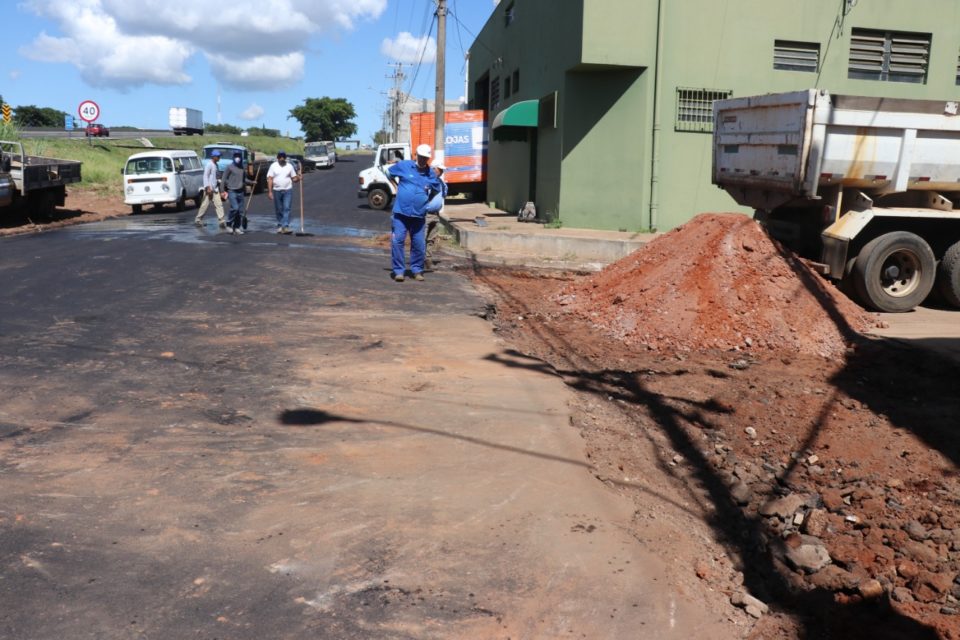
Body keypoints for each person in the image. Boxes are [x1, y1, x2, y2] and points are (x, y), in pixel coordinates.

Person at [387, 144, 442, 281]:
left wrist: (426, 201)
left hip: (419, 215)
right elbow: (389, 173)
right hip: (401, 213)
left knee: (418, 244)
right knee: (398, 241)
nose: (423, 160)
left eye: (426, 158)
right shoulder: (404, 166)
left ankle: (417, 270)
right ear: (416, 155)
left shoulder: (430, 174)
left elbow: (436, 189)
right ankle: (399, 271)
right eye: (421, 156)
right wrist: (396, 186)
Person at [266, 150, 300, 234]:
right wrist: (270, 192)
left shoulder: (289, 166)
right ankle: (280, 225)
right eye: (280, 156)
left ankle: (285, 226)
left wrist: (298, 177)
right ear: (277, 157)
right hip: (276, 190)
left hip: (287, 190)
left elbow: (294, 178)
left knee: (287, 208)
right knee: (279, 209)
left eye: (283, 157)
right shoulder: (273, 166)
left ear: (285, 157)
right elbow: (270, 179)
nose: (282, 158)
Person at [424, 162, 448, 271]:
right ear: (434, 169)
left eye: (442, 170)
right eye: (439, 169)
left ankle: (428, 259)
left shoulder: (442, 183)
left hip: (435, 215)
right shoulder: (427, 181)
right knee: (421, 238)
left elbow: (444, 194)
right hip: (426, 214)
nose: (441, 171)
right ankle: (419, 261)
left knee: (431, 239)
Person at [221, 151, 252, 235]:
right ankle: (229, 224)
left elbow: (244, 179)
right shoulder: (229, 167)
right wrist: (222, 190)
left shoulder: (242, 168)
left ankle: (237, 227)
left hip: (240, 191)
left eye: (238, 156)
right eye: (236, 156)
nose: (237, 158)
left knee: (240, 211)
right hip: (232, 191)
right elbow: (223, 179)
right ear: (233, 157)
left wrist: (252, 182)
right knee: (235, 208)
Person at [195, 150, 226, 229]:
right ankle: (198, 219)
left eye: (219, 156)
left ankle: (221, 221)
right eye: (218, 156)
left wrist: (219, 181)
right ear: (213, 157)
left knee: (219, 204)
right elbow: (205, 176)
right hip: (209, 189)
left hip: (215, 189)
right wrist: (207, 187)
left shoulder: (216, 165)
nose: (219, 158)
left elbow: (215, 177)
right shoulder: (209, 165)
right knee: (205, 205)